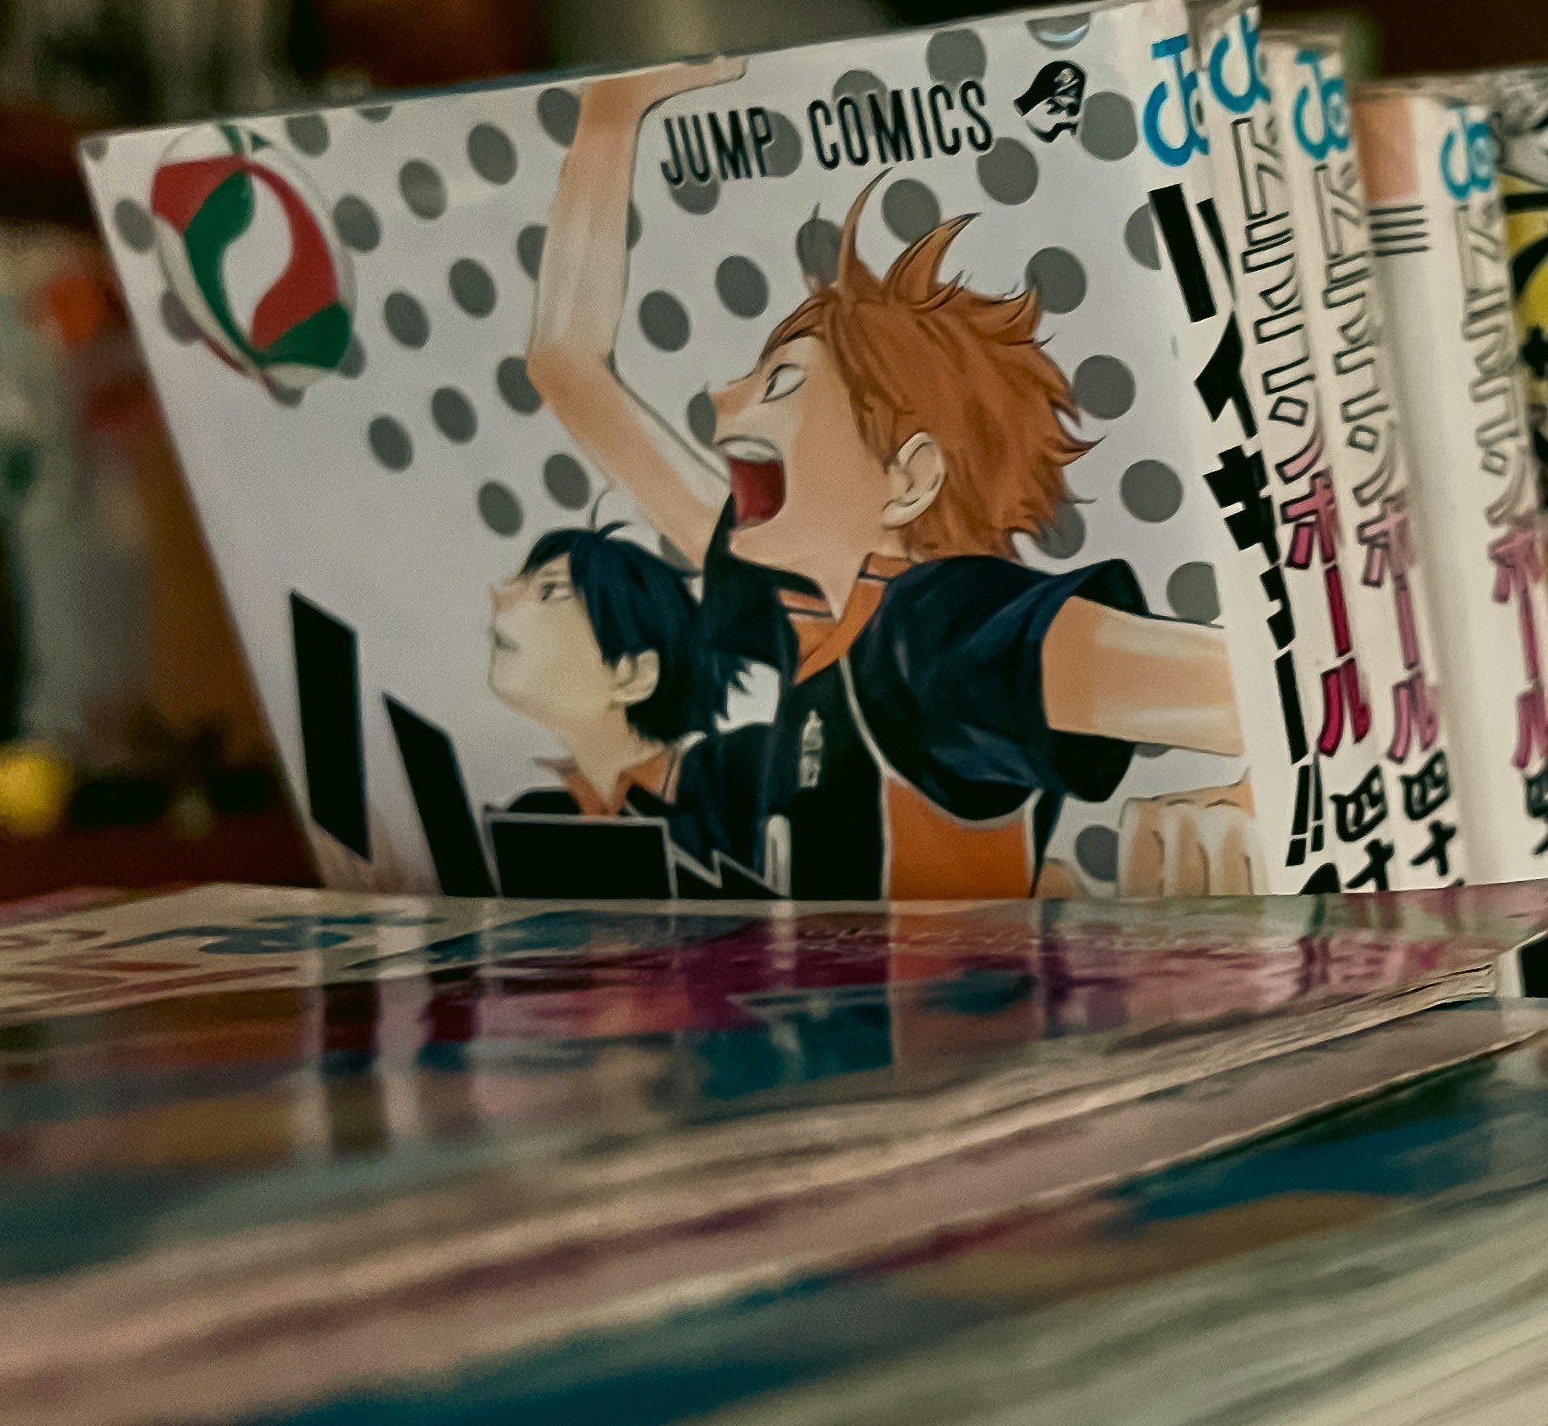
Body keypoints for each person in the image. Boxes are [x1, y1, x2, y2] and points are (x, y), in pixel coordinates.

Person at [526, 62, 1254, 897]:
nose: (721, 394)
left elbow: (1248, 693)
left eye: (783, 384)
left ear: (907, 479)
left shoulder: (937, 636)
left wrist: (1235, 800)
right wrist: (611, 116)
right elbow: (566, 368)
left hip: (973, 1029)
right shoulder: (797, 612)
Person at [486, 522, 722, 875]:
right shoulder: (534, 813)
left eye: (550, 591)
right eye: (518, 584)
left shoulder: (722, 806)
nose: (499, 596)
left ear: (633, 675)